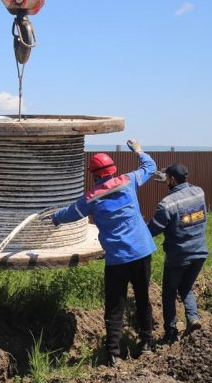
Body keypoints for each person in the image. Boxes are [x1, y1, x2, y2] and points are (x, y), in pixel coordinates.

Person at [49, 140, 157, 367]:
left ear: (94, 175)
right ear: (113, 169)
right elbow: (150, 167)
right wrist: (138, 150)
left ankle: (113, 354)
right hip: (141, 251)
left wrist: (54, 218)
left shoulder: (91, 198)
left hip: (117, 259)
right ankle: (147, 343)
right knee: (142, 298)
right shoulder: (129, 181)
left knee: (115, 306)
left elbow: (71, 213)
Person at [148, 164, 208, 344]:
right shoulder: (199, 192)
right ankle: (193, 317)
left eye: (167, 178)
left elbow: (152, 230)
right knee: (186, 287)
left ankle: (171, 332)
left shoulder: (167, 204)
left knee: (169, 292)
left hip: (178, 257)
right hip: (200, 253)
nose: (166, 180)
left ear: (172, 180)